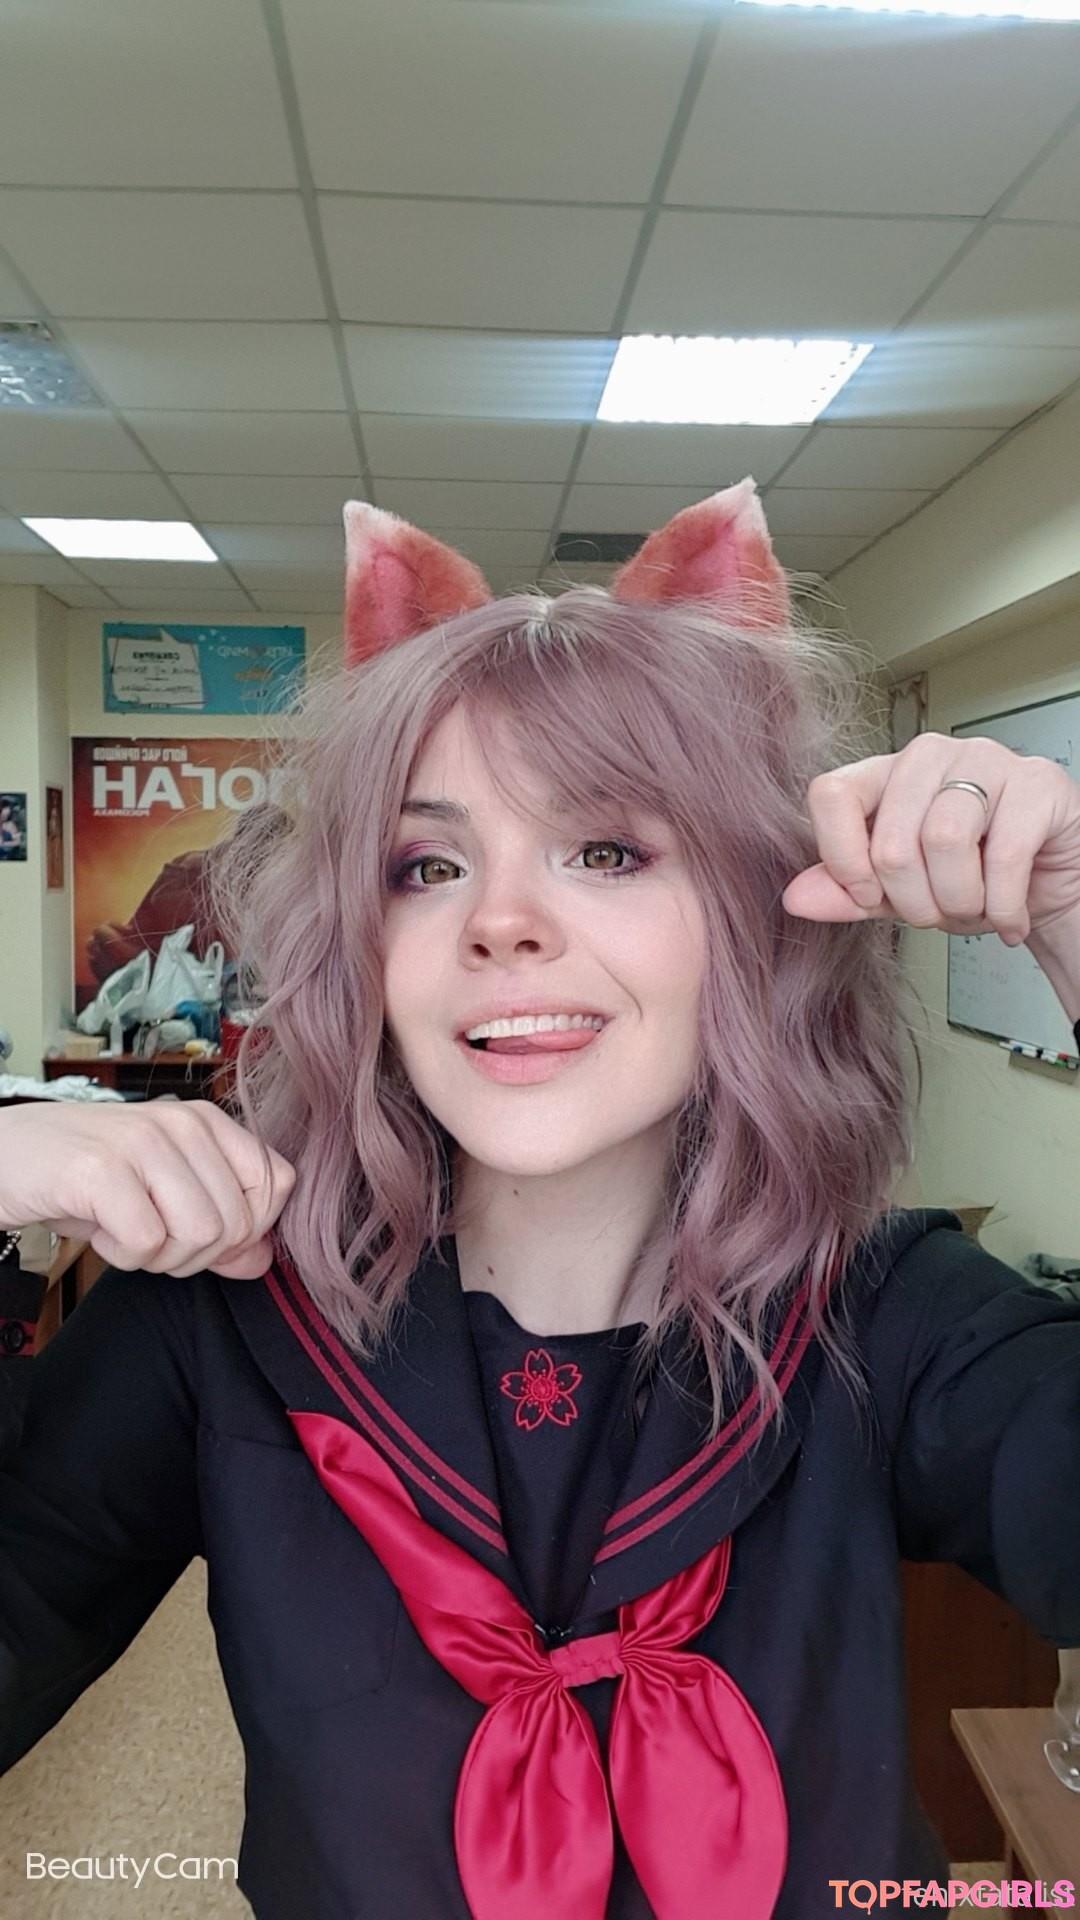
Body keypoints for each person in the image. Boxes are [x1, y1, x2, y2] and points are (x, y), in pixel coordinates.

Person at [0, 480, 1079, 1920]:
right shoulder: (214, 1325)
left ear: (756, 915)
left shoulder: (894, 1318)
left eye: (607, 849)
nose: (500, 922)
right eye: (427, 865)